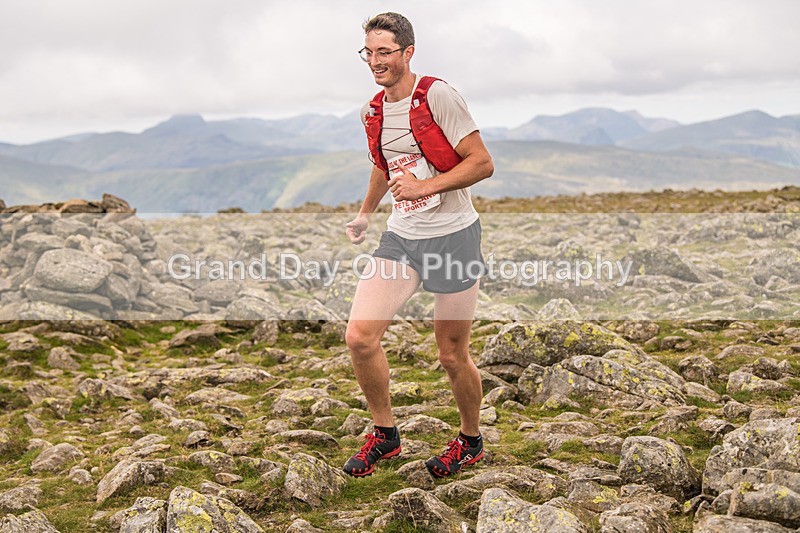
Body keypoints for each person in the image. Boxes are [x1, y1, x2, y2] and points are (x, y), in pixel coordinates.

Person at [343, 12, 494, 479]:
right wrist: (367, 212)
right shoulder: (373, 109)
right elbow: (385, 166)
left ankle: (470, 440)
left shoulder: (438, 96)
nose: (375, 62)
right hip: (402, 238)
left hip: (454, 237)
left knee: (451, 355)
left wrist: (427, 189)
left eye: (385, 52)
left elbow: (482, 163)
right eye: (368, 52)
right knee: (360, 338)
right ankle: (385, 435)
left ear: (408, 52)